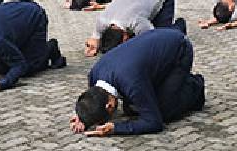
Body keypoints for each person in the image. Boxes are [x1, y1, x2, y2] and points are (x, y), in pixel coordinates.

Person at [72, 29, 205, 137]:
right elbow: (90, 99)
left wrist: (116, 128)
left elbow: (154, 122)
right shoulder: (94, 75)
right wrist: (83, 116)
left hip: (179, 49)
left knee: (164, 111)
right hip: (154, 46)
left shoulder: (131, 82)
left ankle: (195, 86)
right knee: (133, 107)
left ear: (110, 106)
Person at [85, 0, 184, 56]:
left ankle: (179, 25)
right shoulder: (101, 21)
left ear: (125, 37)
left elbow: (153, 40)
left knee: (164, 40)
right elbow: (95, 39)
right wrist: (94, 47)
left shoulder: (136, 22)